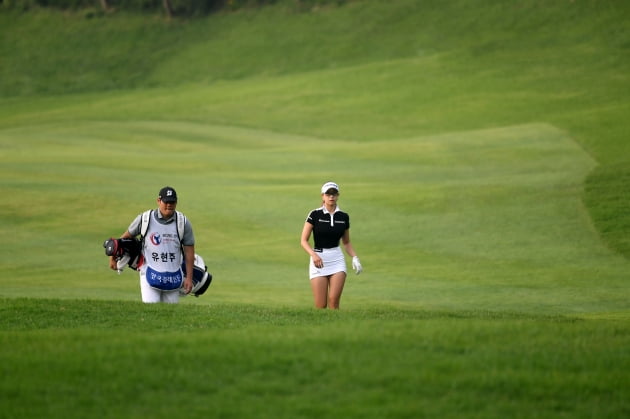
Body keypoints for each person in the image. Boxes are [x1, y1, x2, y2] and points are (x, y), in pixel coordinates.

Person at [109, 186, 195, 303]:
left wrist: (189, 278)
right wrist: (113, 259)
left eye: (172, 202)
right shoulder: (145, 219)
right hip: (149, 273)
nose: (169, 205)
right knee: (151, 310)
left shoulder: (183, 222)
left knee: (171, 315)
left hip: (173, 277)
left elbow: (189, 252)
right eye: (166, 201)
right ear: (158, 201)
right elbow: (122, 240)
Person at [300, 181, 362, 309]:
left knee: (334, 301)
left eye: (334, 194)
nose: (331, 197)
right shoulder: (315, 214)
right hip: (318, 260)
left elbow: (346, 242)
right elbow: (303, 241)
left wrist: (355, 258)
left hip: (337, 259)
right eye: (328, 194)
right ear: (322, 196)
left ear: (338, 195)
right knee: (321, 305)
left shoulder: (343, 216)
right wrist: (313, 255)